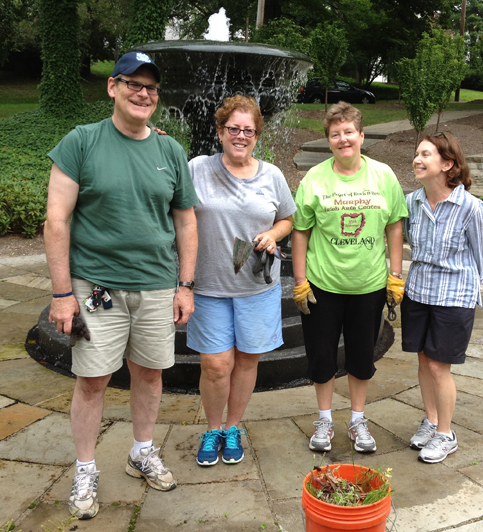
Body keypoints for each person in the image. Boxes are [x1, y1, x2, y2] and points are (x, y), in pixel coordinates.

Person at [44, 51, 198, 519]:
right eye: (134, 83)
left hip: (155, 286)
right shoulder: (82, 142)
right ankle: (86, 468)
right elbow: (56, 220)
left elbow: (187, 221)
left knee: (151, 374)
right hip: (97, 288)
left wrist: (185, 284)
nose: (143, 93)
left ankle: (141, 451)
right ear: (113, 87)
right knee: (93, 379)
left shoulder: (170, 150)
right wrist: (61, 293)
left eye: (151, 87)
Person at [292, 101, 408, 454]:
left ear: (361, 135)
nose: (343, 139)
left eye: (348, 132)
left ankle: (358, 419)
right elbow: (300, 232)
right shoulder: (314, 179)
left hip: (369, 286)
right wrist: (300, 281)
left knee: (361, 358)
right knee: (322, 357)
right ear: (328, 140)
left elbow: (394, 225)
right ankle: (325, 420)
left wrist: (395, 275)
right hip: (323, 286)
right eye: (335, 134)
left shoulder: (383, 176)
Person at [187, 95, 296, 467]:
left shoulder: (272, 175)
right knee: (215, 364)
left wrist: (274, 234)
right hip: (209, 286)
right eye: (233, 128)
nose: (241, 135)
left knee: (248, 360)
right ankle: (213, 428)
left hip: (256, 287)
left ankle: (234, 427)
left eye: (248, 130)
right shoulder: (197, 168)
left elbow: (287, 218)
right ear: (220, 132)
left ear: (256, 135)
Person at [402, 132, 483, 463]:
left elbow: (482, 255)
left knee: (440, 365)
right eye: (417, 153)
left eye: (426, 154)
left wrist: (467, 285)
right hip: (419, 292)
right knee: (424, 359)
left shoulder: (471, 208)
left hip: (454, 297)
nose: (417, 159)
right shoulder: (412, 202)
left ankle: (446, 434)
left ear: (448, 163)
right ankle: (431, 420)